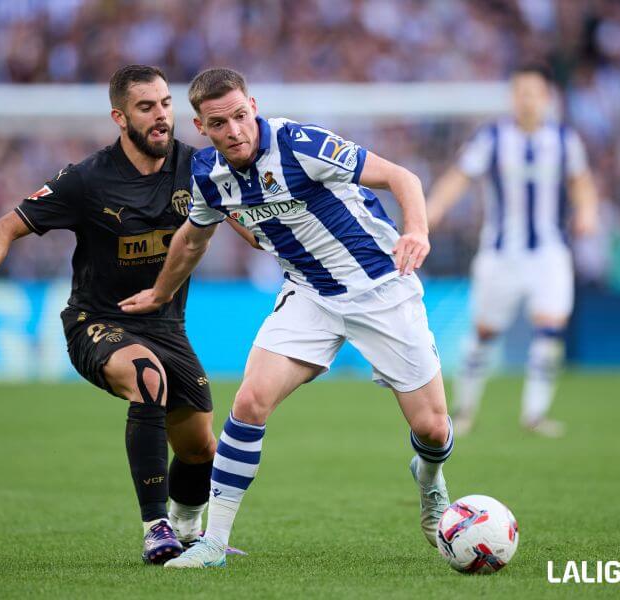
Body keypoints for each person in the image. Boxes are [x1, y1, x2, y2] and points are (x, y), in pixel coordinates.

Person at [120, 68, 454, 568]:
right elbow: (193, 238)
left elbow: (401, 177)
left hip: (381, 288)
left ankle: (429, 480)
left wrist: (418, 232)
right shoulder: (209, 175)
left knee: (432, 428)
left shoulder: (301, 144)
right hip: (308, 295)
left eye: (239, 116)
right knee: (250, 400)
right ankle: (214, 544)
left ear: (252, 106)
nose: (234, 130)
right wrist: (160, 293)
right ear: (201, 127)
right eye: (219, 123)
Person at [0, 65, 245, 565]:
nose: (160, 116)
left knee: (200, 447)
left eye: (164, 104)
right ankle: (154, 527)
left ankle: (184, 528)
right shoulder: (87, 179)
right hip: (98, 323)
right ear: (120, 117)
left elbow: (249, 222)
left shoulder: (199, 168)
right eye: (145, 107)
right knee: (146, 377)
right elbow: (7, 225)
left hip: (166, 325)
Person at [426, 63, 599, 438]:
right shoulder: (492, 136)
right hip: (500, 252)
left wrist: (588, 211)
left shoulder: (565, 139)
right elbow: (460, 175)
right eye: (521, 92)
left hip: (549, 252)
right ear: (512, 97)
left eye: (534, 93)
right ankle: (464, 409)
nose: (527, 100)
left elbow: (581, 180)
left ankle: (535, 414)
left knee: (551, 327)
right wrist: (435, 207)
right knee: (485, 332)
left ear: (546, 98)